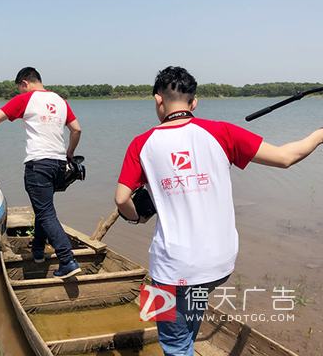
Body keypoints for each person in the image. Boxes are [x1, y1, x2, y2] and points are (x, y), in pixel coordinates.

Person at [115, 66, 323, 356]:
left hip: (171, 268)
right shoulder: (222, 132)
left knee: (173, 344)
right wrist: (320, 134)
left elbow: (121, 199)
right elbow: (287, 157)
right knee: (188, 323)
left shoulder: (142, 143)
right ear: (194, 103)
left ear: (158, 100)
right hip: (218, 264)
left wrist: (137, 217)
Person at [0, 67, 82, 278]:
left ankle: (67, 259)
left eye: (20, 89)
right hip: (59, 165)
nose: (20, 92)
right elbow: (76, 129)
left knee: (45, 212)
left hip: (39, 165)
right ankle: (38, 249)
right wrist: (69, 153)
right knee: (44, 208)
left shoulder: (26, 99)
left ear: (24, 83)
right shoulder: (60, 101)